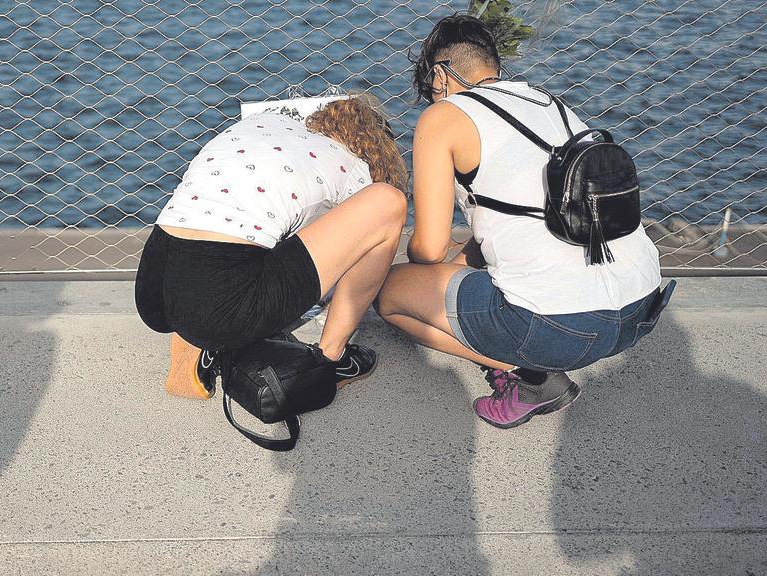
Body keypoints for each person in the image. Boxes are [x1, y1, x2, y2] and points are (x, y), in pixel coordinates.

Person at [376, 15, 668, 429]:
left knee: (389, 294)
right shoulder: (550, 103)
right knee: (461, 271)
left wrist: (422, 267)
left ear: (439, 74)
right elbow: (525, 214)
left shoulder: (444, 117)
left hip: (563, 329)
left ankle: (533, 379)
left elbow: (429, 246)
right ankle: (536, 364)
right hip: (638, 310)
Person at [135, 96, 408, 399]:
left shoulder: (267, 123)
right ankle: (331, 360)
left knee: (252, 230)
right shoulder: (357, 169)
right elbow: (339, 257)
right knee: (388, 203)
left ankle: (195, 338)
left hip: (153, 282)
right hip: (219, 301)